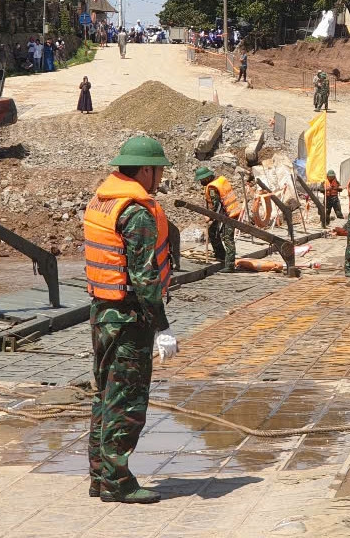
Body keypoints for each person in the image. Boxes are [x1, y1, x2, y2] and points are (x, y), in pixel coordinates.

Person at [83, 136, 178, 504]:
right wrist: (163, 327)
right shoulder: (137, 212)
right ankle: (117, 482)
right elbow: (144, 277)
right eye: (158, 170)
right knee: (127, 401)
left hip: (101, 312)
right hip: (128, 319)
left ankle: (100, 474)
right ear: (144, 170)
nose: (160, 178)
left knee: (105, 394)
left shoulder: (104, 201)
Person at [195, 166, 240, 272]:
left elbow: (216, 205)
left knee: (228, 238)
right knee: (213, 232)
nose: (201, 182)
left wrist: (209, 216)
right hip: (230, 212)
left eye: (201, 180)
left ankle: (230, 265)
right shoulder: (219, 181)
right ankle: (221, 255)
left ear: (206, 178)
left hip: (227, 215)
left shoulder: (212, 188)